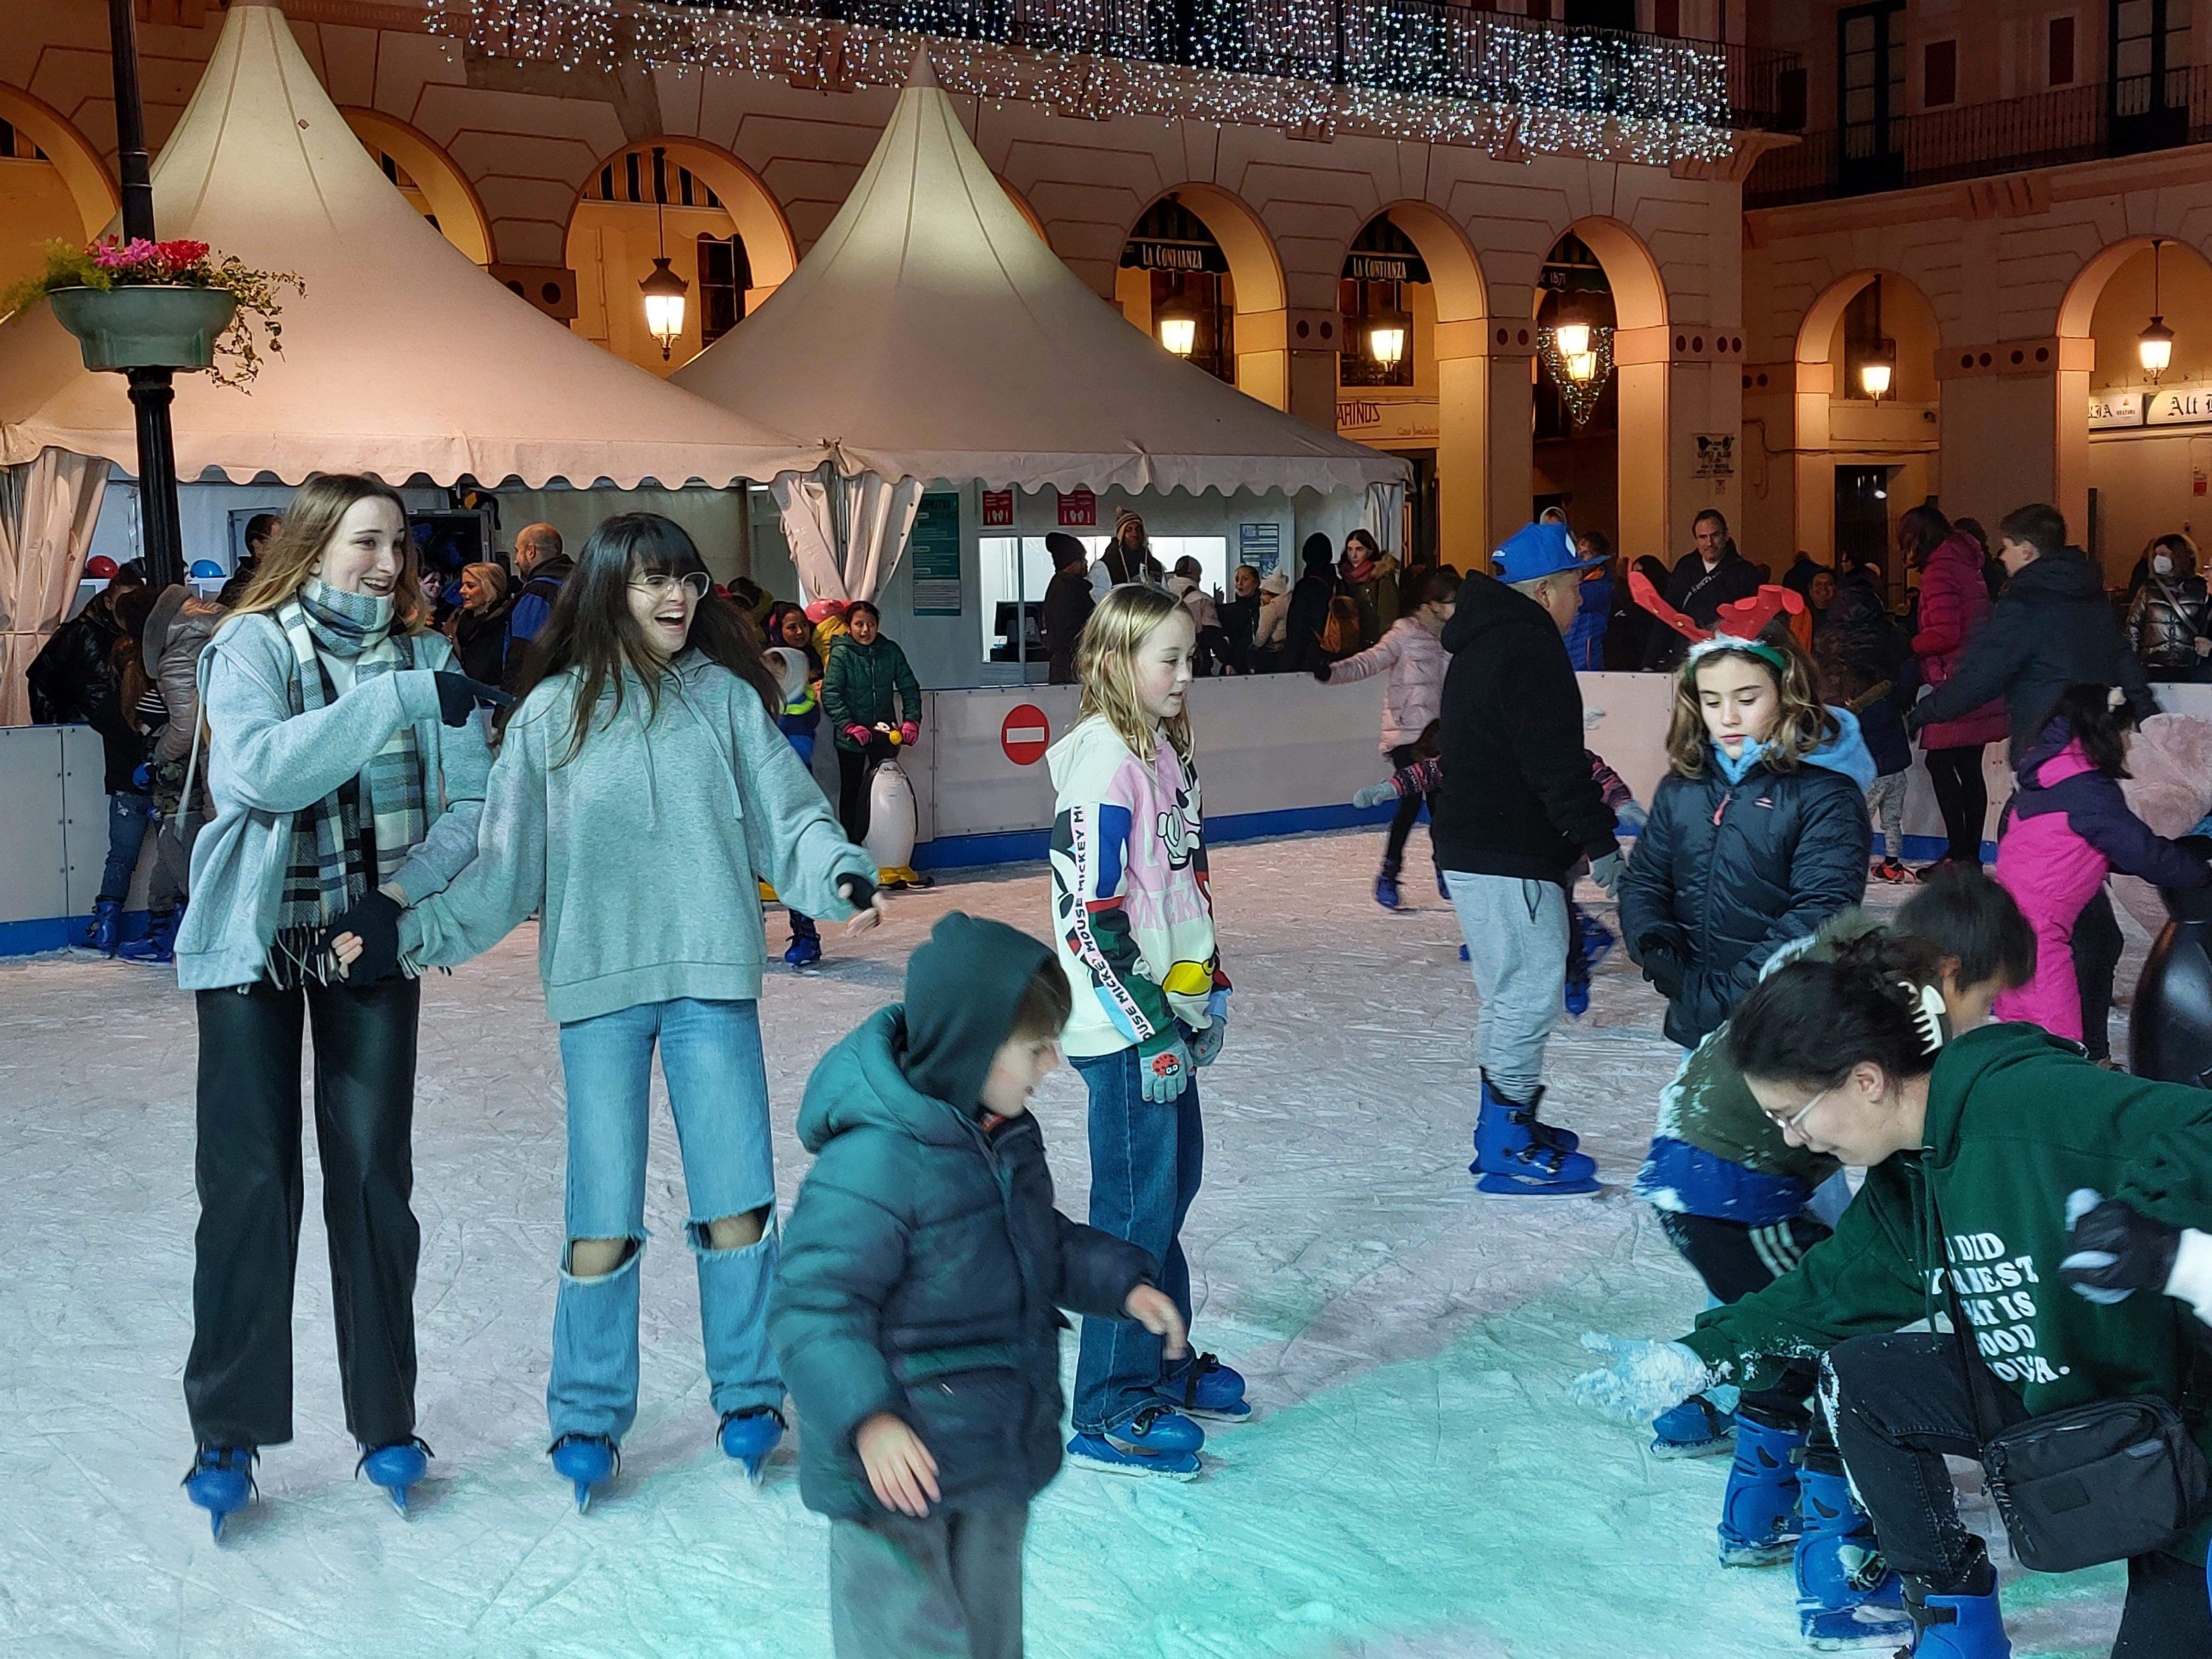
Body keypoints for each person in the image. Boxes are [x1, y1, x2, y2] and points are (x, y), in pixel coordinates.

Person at [388, 512, 881, 1509]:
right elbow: (502, 868)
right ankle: (586, 1412)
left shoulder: (728, 704)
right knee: (600, 1212)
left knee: (737, 1199)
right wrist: (412, 936)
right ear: (611, 587)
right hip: (600, 987)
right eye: (656, 580)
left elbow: (788, 815)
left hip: (709, 979)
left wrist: (835, 871)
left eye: (689, 583)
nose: (676, 600)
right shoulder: (551, 716)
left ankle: (749, 1394)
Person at [1571, 947, 2212, 1659]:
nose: (1793, 1140)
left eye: (1793, 1114)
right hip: (2070, 1395)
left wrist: (2151, 1225)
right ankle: (1954, 1629)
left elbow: (2202, 1125)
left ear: (1867, 1080)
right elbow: (1833, 1285)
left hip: (2186, 1429)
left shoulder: (2028, 1101)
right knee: (1865, 1380)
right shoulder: (1913, 1171)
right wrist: (1700, 1355)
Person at [171, 473, 499, 1534]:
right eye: (365, 542)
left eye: (397, 545)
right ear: (313, 546)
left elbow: (468, 810)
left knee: (371, 1184)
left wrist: (396, 903)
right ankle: (227, 1428)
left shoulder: (431, 654)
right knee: (251, 1184)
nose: (386, 565)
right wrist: (394, 701)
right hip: (254, 946)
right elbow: (262, 772)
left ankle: (385, 1422)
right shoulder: (252, 646)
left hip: (366, 941)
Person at [768, 914, 1186, 1658]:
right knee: (905, 1641)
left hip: (991, 1447)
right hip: (894, 1470)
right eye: (1035, 1047)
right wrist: (869, 1420)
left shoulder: (1002, 1135)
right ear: (971, 1048)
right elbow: (815, 1306)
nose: (1053, 1062)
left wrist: (1122, 1283)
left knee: (993, 1637)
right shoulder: (875, 1165)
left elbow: (1037, 1243)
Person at [1629, 874, 2034, 1642]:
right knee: (1833, 1354)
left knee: (1807, 1339)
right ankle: (1833, 1569)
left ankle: (1755, 1511)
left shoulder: (1844, 965)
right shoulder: (1889, 1027)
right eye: (1987, 1001)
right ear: (1949, 974)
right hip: (1735, 1186)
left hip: (1702, 1172)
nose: (1986, 1021)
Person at [1047, 583, 1246, 1478]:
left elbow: (1182, 886)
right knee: (1131, 1211)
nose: (1183, 672)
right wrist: (1153, 1025)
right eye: (1167, 657)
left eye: (1188, 656)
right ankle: (1108, 1405)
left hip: (1165, 1010)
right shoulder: (1101, 765)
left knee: (1169, 1191)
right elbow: (1091, 917)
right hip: (1126, 1025)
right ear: (1113, 661)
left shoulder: (1163, 750)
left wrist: (1212, 984)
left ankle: (1159, 1359)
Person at [1908, 502, 2161, 1063]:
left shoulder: (2024, 604)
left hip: (2047, 771)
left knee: (2051, 919)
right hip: (2092, 760)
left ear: (2025, 550)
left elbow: (1982, 675)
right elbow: (2123, 658)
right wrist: (2145, 711)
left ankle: (2067, 1048)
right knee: (2084, 917)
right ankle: (2082, 1045)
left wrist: (1924, 711)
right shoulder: (2091, 598)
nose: (2000, 558)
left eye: (2004, 548)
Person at [1434, 521, 1626, 1194]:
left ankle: (1506, 1124)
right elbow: (1554, 764)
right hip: (1504, 853)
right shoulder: (1527, 648)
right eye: (1578, 583)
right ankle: (1509, 1140)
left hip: (1482, 847)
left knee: (1510, 993)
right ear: (1546, 590)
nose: (1584, 597)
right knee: (1527, 993)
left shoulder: (1493, 642)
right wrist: (1601, 845)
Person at [1619, 618, 1873, 1051]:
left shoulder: (1826, 794)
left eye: (1748, 698)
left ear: (1786, 691)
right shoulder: (1684, 787)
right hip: (1697, 1016)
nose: (1728, 718)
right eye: (1712, 701)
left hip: (1787, 1022)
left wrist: (1725, 996)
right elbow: (1644, 880)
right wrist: (1657, 945)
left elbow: (1822, 911)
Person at [1989, 684, 2211, 1043]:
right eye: (2126, 733)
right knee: (2056, 1046)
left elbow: (2099, 848)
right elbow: (2139, 852)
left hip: (2013, 933)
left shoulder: (2052, 774)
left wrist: (2184, 851)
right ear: (2106, 733)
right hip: (2041, 940)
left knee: (2024, 1038)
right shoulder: (2086, 789)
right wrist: (2199, 873)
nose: (2128, 744)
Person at [1318, 567, 1460, 909]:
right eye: (1451, 602)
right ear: (1432, 602)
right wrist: (1332, 672)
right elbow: (1371, 660)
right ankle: (1389, 874)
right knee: (1411, 802)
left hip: (1438, 737)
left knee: (1443, 807)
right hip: (1405, 735)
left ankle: (1447, 869)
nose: (1457, 609)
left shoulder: (1454, 638)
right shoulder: (1405, 632)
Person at [29, 559, 150, 952]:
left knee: (129, 851)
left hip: (120, 755)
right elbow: (42, 679)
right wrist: (54, 729)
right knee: (152, 851)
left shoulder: (131, 637)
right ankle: (131, 920)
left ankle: (111, 920)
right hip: (114, 748)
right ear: (112, 593)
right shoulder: (82, 634)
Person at [133, 580, 230, 965]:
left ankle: (207, 934)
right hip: (248, 750)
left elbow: (187, 728)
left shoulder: (175, 654)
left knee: (193, 848)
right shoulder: (221, 621)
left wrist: (157, 756)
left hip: (214, 763)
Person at [1906, 505, 2007, 874]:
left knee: (1941, 761)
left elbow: (1946, 633)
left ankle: (1961, 855)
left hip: (1956, 680)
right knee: (1967, 765)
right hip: (1977, 677)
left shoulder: (1939, 571)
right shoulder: (1967, 564)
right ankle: (1968, 857)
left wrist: (1911, 645)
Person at [822, 599, 924, 858]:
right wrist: (849, 725)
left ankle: (886, 848)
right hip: (852, 739)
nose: (866, 630)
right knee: (854, 792)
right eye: (859, 624)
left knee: (887, 791)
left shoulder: (889, 651)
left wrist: (912, 720)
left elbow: (909, 687)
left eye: (871, 624)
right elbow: (831, 693)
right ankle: (853, 851)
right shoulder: (842, 654)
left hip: (884, 736)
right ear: (849, 626)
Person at [1641, 510, 1761, 671]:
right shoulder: (1685, 568)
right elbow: (1666, 615)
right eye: (1703, 537)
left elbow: (1755, 622)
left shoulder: (1745, 573)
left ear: (1726, 535)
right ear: (1696, 541)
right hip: (1686, 657)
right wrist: (1649, 663)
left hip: (1728, 660)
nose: (1709, 543)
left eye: (1715, 535)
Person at [2126, 531, 2211, 681]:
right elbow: (2133, 628)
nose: (2158, 559)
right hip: (2153, 667)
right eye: (2156, 555)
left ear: (2179, 556)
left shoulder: (2200, 589)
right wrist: (2132, 666)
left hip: (2190, 669)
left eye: (2164, 554)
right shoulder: (2148, 590)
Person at [503, 522, 570, 689]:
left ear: (531, 551)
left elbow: (523, 654)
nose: (516, 560)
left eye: (518, 551)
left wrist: (509, 705)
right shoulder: (579, 585)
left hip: (538, 694)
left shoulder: (538, 594)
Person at [446, 561, 512, 687]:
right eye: (463, 585)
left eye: (470, 586)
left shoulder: (509, 619)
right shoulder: (458, 617)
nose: (462, 591)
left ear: (490, 589)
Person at [1040, 531, 1095, 685]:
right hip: (1072, 668)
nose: (1086, 563)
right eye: (1081, 559)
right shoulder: (1072, 590)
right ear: (1071, 563)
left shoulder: (1058, 587)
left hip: (1063, 667)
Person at [1283, 534, 1339, 674]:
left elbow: (1298, 629)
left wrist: (1289, 665)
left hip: (1310, 658)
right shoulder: (1339, 583)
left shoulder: (1306, 587)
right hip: (1336, 655)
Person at [1166, 555, 1227, 674]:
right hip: (1196, 661)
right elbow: (1212, 634)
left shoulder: (1163, 594)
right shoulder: (1203, 600)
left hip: (1168, 660)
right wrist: (1228, 661)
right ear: (1197, 574)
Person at [1341, 528, 1398, 649]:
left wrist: (1384, 646)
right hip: (1349, 644)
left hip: (1374, 644)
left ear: (1370, 551)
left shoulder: (1382, 577)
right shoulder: (1345, 577)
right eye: (1350, 549)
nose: (1354, 555)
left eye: (1359, 549)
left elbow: (1388, 614)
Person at [1563, 533, 1612, 669]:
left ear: (1597, 560)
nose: (1580, 555)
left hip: (1586, 662)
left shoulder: (1601, 586)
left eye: (1586, 553)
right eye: (1578, 549)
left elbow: (1575, 598)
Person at [1217, 563, 1261, 674]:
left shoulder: (1266, 608)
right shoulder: (1229, 611)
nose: (1239, 584)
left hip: (1263, 665)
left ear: (1256, 583)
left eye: (1245, 579)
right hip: (1237, 667)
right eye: (1237, 580)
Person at [1252, 566, 1291, 673]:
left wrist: (1254, 648)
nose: (1261, 597)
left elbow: (1263, 634)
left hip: (1273, 652)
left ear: (1272, 594)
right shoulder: (1289, 602)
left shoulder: (1272, 608)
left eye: (1263, 594)